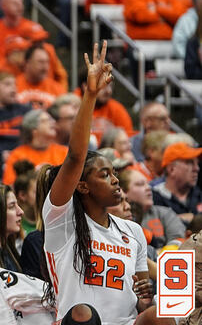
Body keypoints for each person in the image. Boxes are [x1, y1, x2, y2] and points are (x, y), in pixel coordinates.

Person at [42, 42, 157, 324]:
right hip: (79, 322)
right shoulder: (62, 221)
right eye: (104, 174)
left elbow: (143, 299)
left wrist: (147, 294)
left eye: (114, 173)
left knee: (180, 305)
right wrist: (90, 96)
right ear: (82, 186)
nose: (116, 180)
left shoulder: (133, 231)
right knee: (84, 313)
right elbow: (75, 157)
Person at [119, 168, 186, 249]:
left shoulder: (165, 212)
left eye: (147, 184)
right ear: (123, 191)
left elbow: (179, 240)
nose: (148, 188)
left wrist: (159, 254)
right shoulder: (119, 216)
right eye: (140, 184)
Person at [4, 109, 68, 186]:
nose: (53, 122)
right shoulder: (17, 155)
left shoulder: (64, 152)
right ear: (34, 130)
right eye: (46, 120)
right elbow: (9, 186)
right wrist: (32, 177)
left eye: (52, 119)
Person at [152, 142, 202, 223]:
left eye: (197, 163)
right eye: (190, 163)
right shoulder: (153, 199)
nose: (196, 168)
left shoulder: (199, 194)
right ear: (171, 169)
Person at [15, 43, 67, 109]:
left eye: (47, 62)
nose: (45, 67)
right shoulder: (14, 86)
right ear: (27, 63)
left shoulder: (57, 89)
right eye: (41, 62)